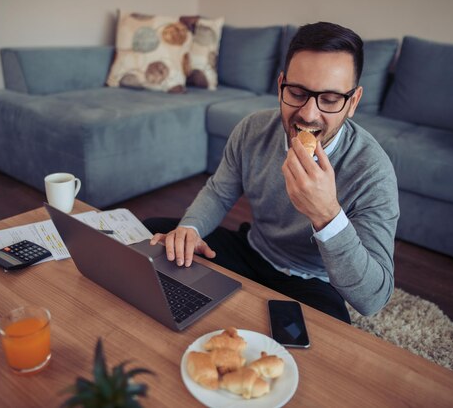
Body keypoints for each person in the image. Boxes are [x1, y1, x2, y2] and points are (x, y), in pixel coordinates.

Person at [146, 22, 399, 324]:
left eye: (330, 100)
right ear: (281, 85)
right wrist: (191, 229)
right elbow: (219, 191)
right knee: (154, 235)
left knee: (333, 335)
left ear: (352, 102)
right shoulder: (252, 129)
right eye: (297, 92)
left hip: (312, 279)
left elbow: (373, 298)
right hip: (252, 250)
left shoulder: (373, 171)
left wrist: (327, 215)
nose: (308, 114)